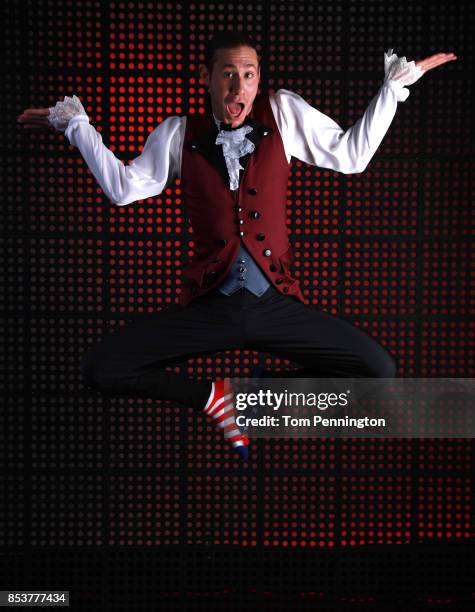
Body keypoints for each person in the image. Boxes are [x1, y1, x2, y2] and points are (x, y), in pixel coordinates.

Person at [17, 32, 457, 461]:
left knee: (378, 371)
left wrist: (392, 89)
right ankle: (213, 397)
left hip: (276, 307)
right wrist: (78, 127)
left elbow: (351, 156)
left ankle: (251, 402)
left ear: (258, 79)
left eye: (248, 74)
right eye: (228, 74)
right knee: (101, 368)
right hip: (211, 308)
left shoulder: (283, 111)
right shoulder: (178, 133)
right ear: (206, 77)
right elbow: (122, 188)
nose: (239, 85)